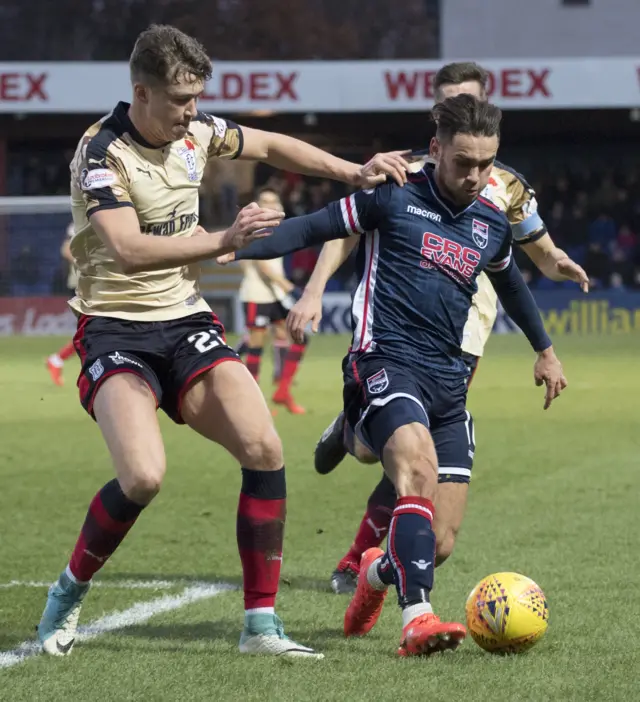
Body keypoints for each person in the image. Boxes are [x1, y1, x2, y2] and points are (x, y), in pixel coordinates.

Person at [35, 23, 411, 660]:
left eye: (196, 98)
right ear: (141, 93)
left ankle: (260, 626)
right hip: (115, 331)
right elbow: (127, 251)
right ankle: (69, 591)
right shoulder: (100, 152)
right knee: (145, 476)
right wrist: (223, 240)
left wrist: (354, 170)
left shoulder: (196, 132)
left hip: (185, 322)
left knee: (265, 447)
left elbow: (267, 143)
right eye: (180, 100)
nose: (192, 112)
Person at [219, 94, 567, 656]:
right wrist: (234, 242)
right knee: (417, 470)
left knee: (439, 540)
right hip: (384, 359)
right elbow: (315, 226)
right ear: (435, 150)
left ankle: (376, 573)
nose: (475, 176)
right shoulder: (393, 194)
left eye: (485, 163)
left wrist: (544, 349)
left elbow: (511, 286)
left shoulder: (491, 222)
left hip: (448, 384)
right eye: (462, 162)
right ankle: (418, 619)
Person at [284, 61, 589, 595]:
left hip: (464, 332)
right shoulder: (400, 170)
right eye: (444, 102)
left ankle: (363, 539)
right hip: (400, 325)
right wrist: (313, 288)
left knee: (417, 456)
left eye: (464, 99)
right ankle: (367, 556)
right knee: (410, 451)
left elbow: (535, 256)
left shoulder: (508, 185)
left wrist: (559, 264)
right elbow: (346, 226)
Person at [236, 187, 307, 414]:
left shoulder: (278, 230)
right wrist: (289, 287)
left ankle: (283, 391)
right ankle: (252, 402)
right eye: (264, 201)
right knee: (256, 347)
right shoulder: (254, 229)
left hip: (275, 296)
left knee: (296, 337)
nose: (269, 205)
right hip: (257, 295)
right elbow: (263, 266)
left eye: (273, 201)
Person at [46, 222, 79, 386]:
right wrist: (86, 264)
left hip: (97, 282)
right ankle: (57, 359)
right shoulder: (79, 222)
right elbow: (66, 249)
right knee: (90, 331)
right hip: (81, 283)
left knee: (91, 331)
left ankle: (56, 360)